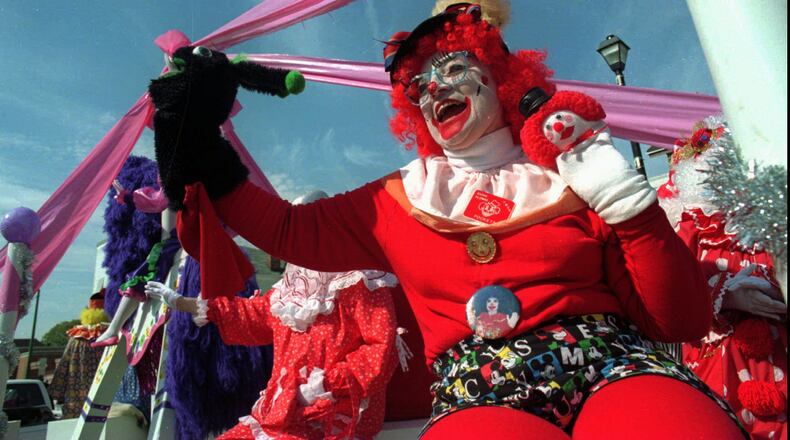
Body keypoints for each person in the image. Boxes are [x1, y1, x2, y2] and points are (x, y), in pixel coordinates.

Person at [154, 1, 746, 437]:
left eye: (454, 68)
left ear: (502, 78)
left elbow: (681, 321)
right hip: (481, 392)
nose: (434, 89)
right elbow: (284, 230)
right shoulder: (395, 197)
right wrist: (200, 136)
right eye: (418, 86)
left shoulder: (573, 172)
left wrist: (628, 205)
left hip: (614, 364)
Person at [147, 190, 400, 440]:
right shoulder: (290, 288)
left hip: (334, 418)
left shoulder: (360, 281)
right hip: (282, 413)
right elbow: (250, 314)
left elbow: (380, 348)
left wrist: (323, 387)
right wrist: (183, 303)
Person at [659, 117, 787, 440]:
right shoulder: (689, 228)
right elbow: (673, 290)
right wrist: (727, 294)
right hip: (722, 365)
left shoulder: (770, 218)